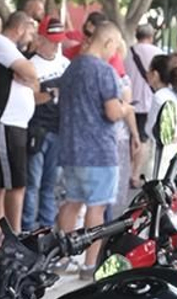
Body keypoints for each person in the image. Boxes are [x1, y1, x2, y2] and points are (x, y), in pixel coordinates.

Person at [56, 14, 131, 251]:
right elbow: (112, 112)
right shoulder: (104, 71)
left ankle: (63, 256)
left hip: (71, 150)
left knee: (72, 204)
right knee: (96, 208)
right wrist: (126, 108)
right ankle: (90, 262)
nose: (114, 53)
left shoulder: (71, 68)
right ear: (108, 42)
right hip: (99, 152)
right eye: (114, 47)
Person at [0, 8, 41, 231]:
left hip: (11, 124)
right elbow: (32, 73)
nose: (31, 39)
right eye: (30, 33)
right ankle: (12, 236)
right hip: (4, 123)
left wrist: (27, 75)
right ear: (20, 28)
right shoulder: (1, 45)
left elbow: (35, 83)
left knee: (4, 184)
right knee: (15, 185)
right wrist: (27, 74)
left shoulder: (9, 49)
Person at [22, 31, 70, 229]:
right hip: (37, 130)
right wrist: (52, 94)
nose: (56, 46)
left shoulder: (65, 64)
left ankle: (46, 225)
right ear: (40, 40)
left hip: (58, 130)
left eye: (59, 42)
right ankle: (27, 227)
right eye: (52, 42)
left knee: (50, 183)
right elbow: (29, 98)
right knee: (33, 183)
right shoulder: (29, 65)